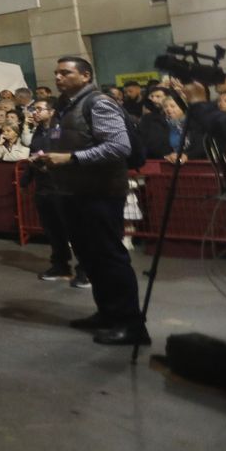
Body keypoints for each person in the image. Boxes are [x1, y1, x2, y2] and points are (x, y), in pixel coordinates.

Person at [31, 57, 147, 346]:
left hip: (101, 192)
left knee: (109, 257)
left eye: (65, 72)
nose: (58, 77)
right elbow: (64, 141)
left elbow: (119, 147)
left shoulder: (98, 103)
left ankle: (130, 324)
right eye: (56, 72)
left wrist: (71, 158)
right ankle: (107, 312)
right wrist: (49, 159)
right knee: (90, 257)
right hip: (73, 191)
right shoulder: (63, 105)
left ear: (85, 76)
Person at [23, 97, 88, 288]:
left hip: (61, 186)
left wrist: (49, 166)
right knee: (53, 231)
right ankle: (60, 266)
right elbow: (34, 154)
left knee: (74, 232)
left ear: (51, 112)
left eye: (40, 109)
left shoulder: (59, 132)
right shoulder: (38, 132)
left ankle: (85, 270)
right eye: (34, 109)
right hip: (43, 188)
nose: (35, 112)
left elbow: (65, 156)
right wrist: (26, 180)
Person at [138, 95, 206, 163]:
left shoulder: (195, 123)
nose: (168, 109)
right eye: (165, 107)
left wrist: (187, 155)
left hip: (194, 163)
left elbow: (201, 145)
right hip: (165, 162)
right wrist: (167, 155)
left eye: (172, 106)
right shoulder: (156, 124)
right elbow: (153, 145)